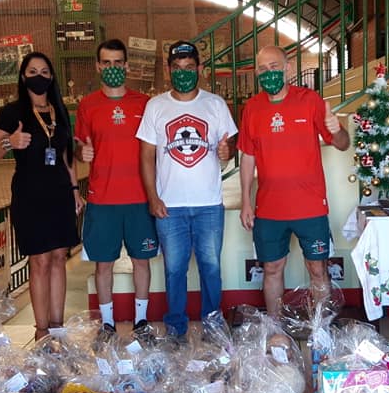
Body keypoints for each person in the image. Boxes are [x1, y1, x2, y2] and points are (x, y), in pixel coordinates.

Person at [238, 44, 351, 316]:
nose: (268, 74)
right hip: (269, 208)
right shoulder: (252, 108)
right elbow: (247, 157)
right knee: (272, 268)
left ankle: (321, 330)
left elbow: (343, 145)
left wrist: (338, 130)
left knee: (317, 268)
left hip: (309, 206)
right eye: (262, 70)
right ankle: (275, 330)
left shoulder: (310, 100)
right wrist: (245, 201)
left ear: (288, 68)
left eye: (274, 67)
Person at [137, 40, 237, 342]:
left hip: (208, 203)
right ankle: (176, 327)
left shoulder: (215, 104)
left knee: (211, 268)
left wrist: (225, 151)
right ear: (169, 71)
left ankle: (212, 324)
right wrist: (153, 198)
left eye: (189, 68)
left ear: (200, 69)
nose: (183, 73)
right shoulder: (156, 105)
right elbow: (146, 155)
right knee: (174, 271)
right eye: (177, 68)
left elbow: (228, 147)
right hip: (170, 206)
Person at [0, 52, 84, 341]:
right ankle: (41, 332)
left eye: (44, 71)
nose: (38, 76)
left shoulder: (60, 110)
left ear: (51, 77)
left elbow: (67, 156)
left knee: (58, 257)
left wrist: (75, 190)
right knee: (38, 260)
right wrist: (9, 142)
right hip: (30, 194)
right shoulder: (12, 112)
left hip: (60, 194)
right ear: (23, 76)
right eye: (32, 71)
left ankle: (57, 326)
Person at [74, 39, 159, 345]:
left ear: (126, 65)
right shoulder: (88, 105)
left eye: (117, 63)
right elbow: (78, 145)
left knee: (141, 261)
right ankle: (107, 324)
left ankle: (141, 321)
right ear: (98, 66)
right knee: (104, 264)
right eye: (106, 63)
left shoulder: (145, 103)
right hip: (103, 199)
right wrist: (80, 153)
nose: (112, 68)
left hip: (138, 198)